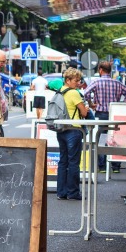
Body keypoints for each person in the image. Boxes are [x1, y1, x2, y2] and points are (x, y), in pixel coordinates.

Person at [84, 61, 126, 173]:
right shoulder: (117, 83)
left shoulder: (96, 82)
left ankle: (102, 167)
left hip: (101, 114)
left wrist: (91, 104)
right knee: (114, 139)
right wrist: (123, 105)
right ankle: (115, 166)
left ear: (100, 70)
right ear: (110, 70)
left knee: (100, 139)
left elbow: (86, 93)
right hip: (114, 114)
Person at [56, 68, 88, 201]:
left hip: (61, 130)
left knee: (63, 162)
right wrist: (86, 108)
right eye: (76, 80)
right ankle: (73, 192)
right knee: (74, 162)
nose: (78, 83)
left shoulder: (60, 91)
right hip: (74, 130)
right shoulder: (74, 93)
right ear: (68, 80)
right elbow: (84, 113)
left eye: (79, 80)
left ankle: (61, 192)